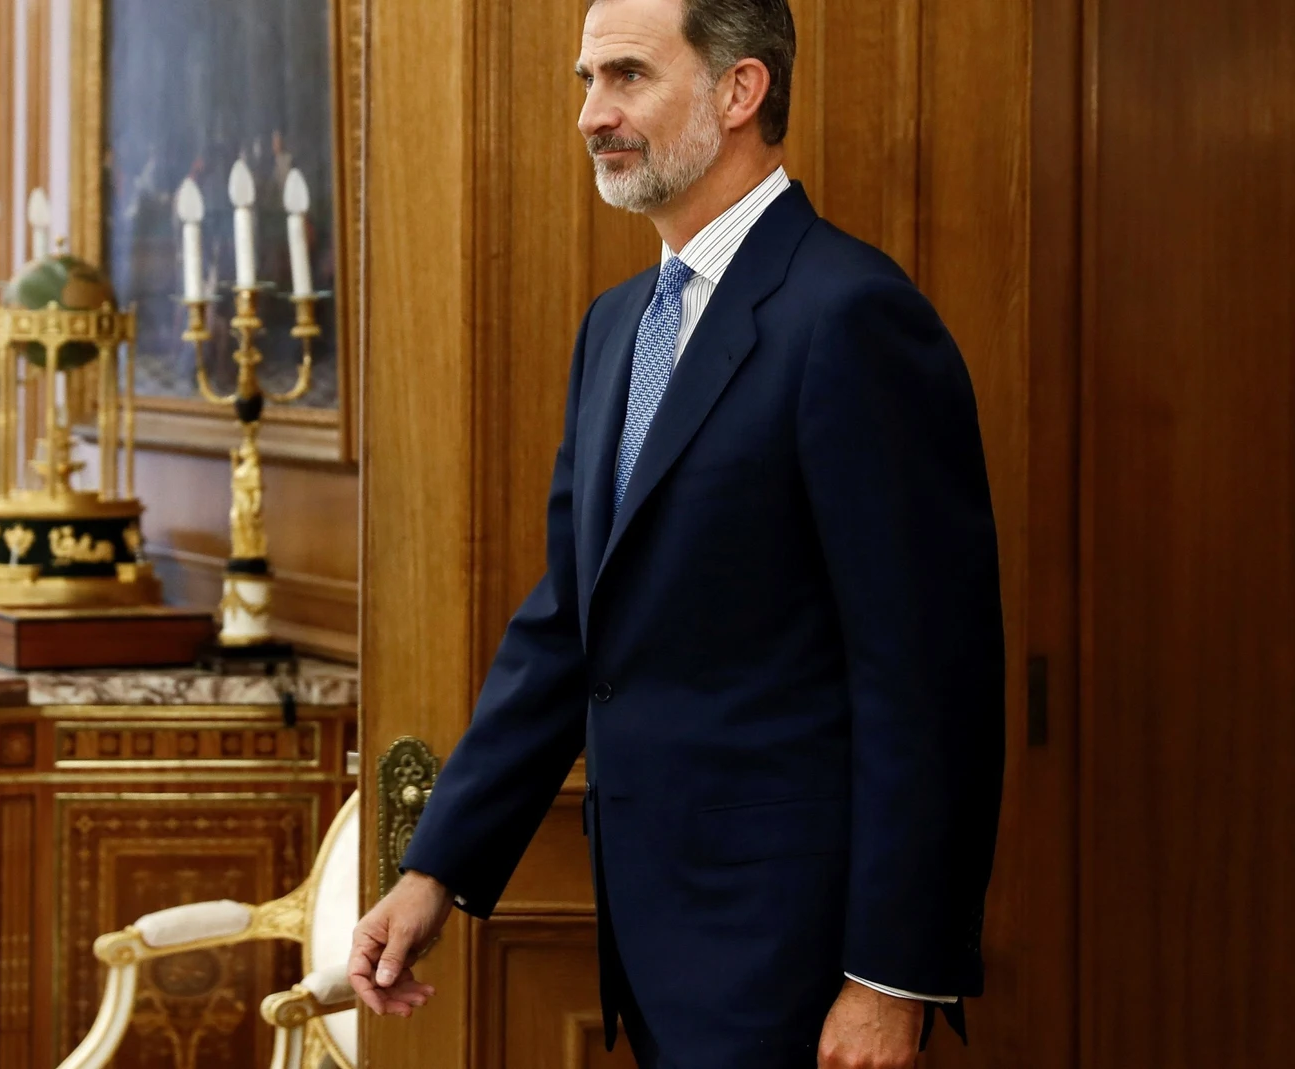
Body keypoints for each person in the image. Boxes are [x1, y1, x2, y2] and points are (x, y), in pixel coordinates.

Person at [345, 1, 1005, 1066]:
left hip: (793, 955)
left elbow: (929, 681)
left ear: (739, 91)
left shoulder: (851, 316)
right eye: (585, 81)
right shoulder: (617, 326)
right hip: (653, 947)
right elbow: (570, 626)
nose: (591, 114)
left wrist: (891, 974)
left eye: (626, 78)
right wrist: (436, 868)